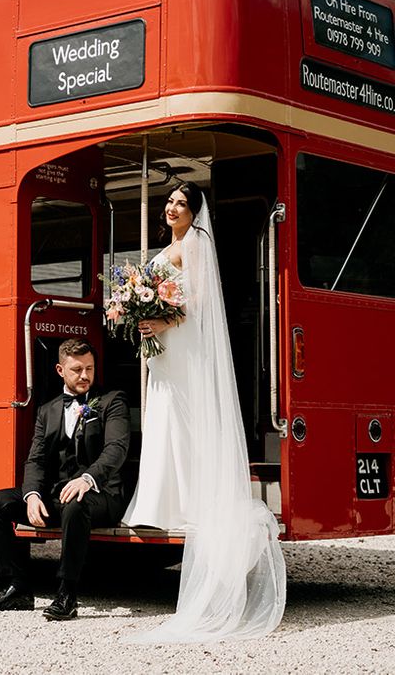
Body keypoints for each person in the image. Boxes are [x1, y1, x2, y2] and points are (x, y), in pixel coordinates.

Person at [121, 181, 286, 642]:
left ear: (194, 212)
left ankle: (192, 502)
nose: (173, 208)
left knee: (184, 416)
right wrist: (140, 315)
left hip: (184, 345)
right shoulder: (168, 245)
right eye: (170, 202)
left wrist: (160, 319)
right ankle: (160, 501)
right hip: (166, 348)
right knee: (165, 415)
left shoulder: (195, 243)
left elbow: (197, 304)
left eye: (181, 203)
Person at [0, 338, 130, 620]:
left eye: (90, 368)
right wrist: (32, 495)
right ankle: (18, 587)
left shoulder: (112, 401)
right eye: (77, 370)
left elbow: (116, 449)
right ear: (60, 370)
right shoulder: (47, 410)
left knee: (75, 504)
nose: (85, 376)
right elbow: (35, 459)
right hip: (56, 497)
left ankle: (66, 593)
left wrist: (87, 478)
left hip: (101, 496)